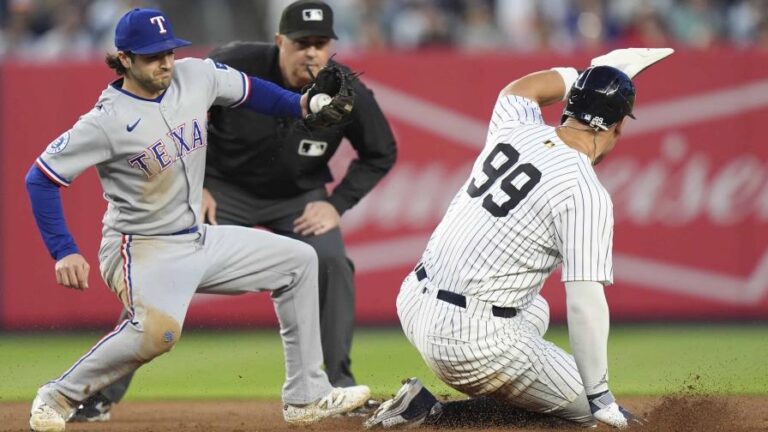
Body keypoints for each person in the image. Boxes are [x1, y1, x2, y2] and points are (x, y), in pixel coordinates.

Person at [24, 8, 370, 432]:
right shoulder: (105, 121)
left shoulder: (194, 75)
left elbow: (249, 91)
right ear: (125, 59)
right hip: (140, 247)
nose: (165, 62)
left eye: (168, 51)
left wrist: (301, 104)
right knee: (158, 336)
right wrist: (63, 251)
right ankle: (57, 395)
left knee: (299, 261)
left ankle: (306, 396)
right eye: (152, 56)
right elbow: (39, 178)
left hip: (197, 238)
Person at [363, 49, 674, 429]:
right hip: (466, 341)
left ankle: (434, 401)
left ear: (570, 106)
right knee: (591, 419)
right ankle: (429, 415)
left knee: (536, 309)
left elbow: (522, 88)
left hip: (414, 299)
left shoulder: (517, 127)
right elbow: (584, 304)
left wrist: (587, 73)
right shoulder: (583, 190)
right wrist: (599, 396)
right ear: (618, 127)